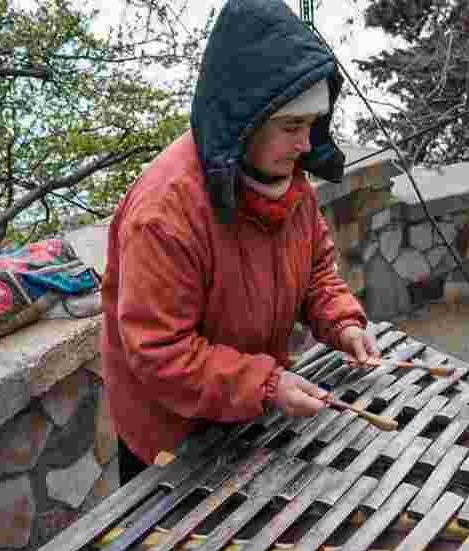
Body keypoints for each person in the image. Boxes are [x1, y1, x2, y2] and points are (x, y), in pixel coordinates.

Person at [99, 0, 379, 486]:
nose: (307, 145)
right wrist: (266, 383)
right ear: (244, 118)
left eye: (313, 123)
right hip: (172, 436)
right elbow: (159, 351)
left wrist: (342, 321)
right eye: (292, 126)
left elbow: (315, 272)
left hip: (246, 412)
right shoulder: (165, 213)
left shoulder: (286, 179)